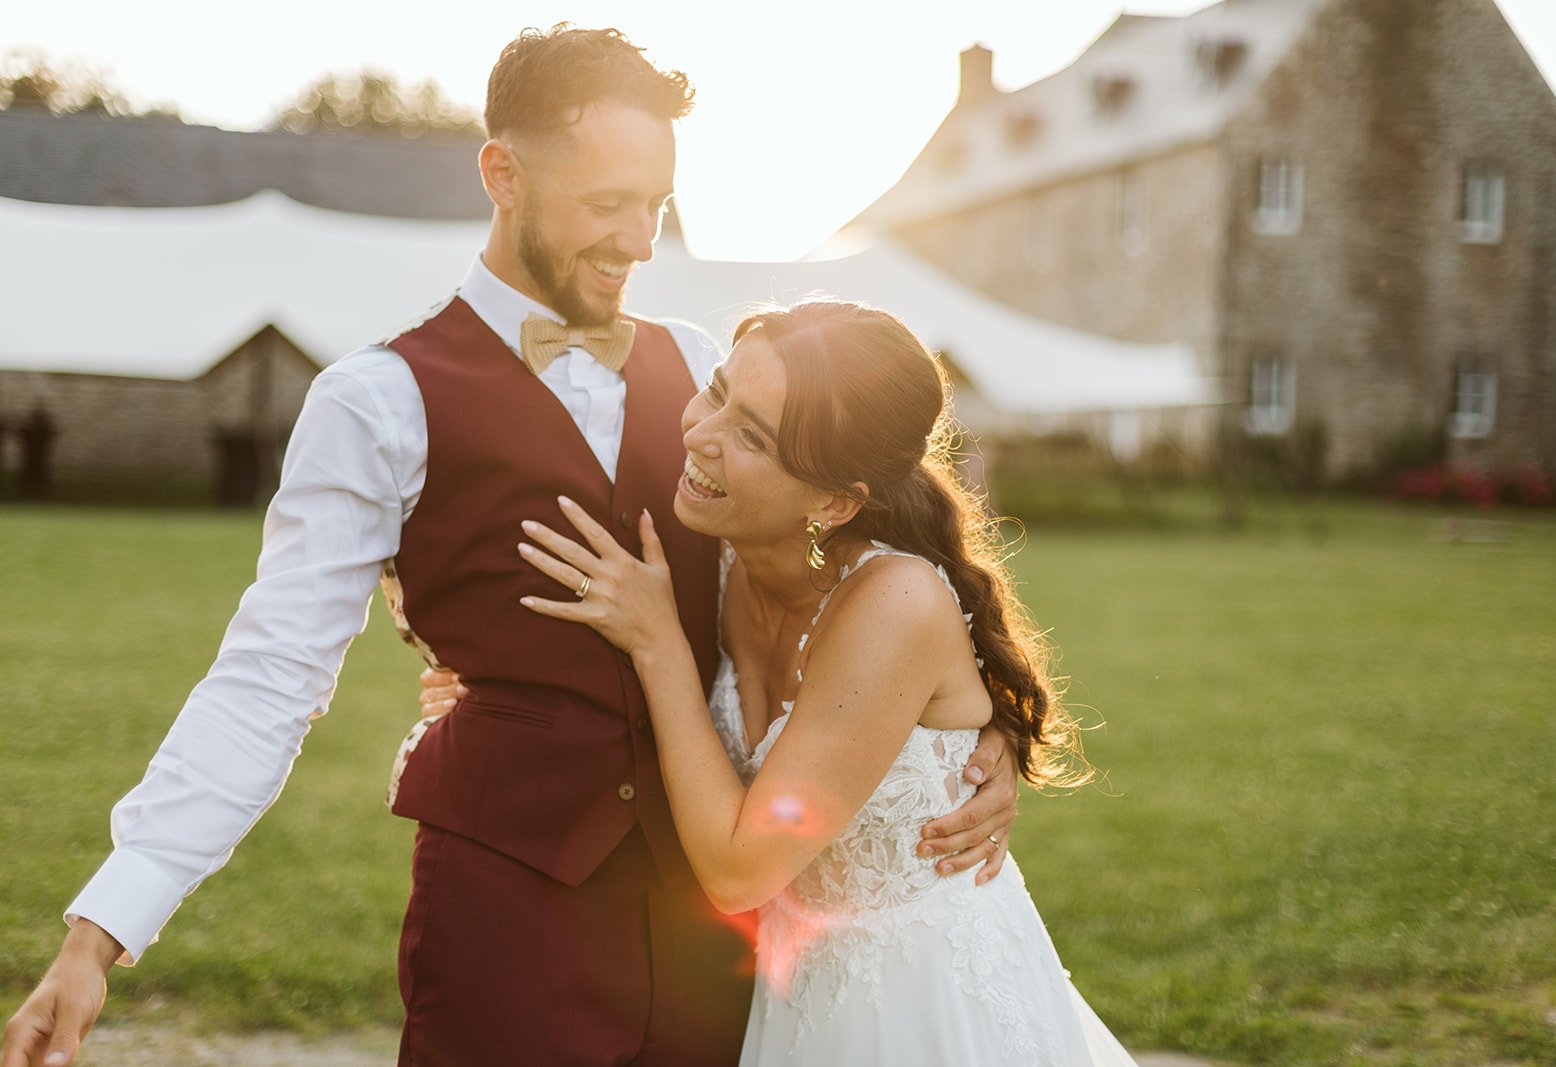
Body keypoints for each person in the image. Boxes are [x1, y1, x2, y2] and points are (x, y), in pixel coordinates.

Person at [0, 26, 1019, 1067]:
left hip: (717, 941)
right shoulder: (377, 401)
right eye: (604, 203)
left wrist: (969, 744)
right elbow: (267, 677)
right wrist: (101, 929)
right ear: (503, 174)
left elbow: (855, 571)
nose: (637, 240)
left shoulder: (709, 369)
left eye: (654, 204)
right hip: (504, 921)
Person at [509, 300, 1140, 1064]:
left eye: (751, 436)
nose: (700, 436)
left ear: (836, 500)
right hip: (797, 996)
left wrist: (659, 646)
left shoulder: (893, 603)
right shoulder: (718, 548)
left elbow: (740, 870)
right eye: (716, 391)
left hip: (927, 1003)